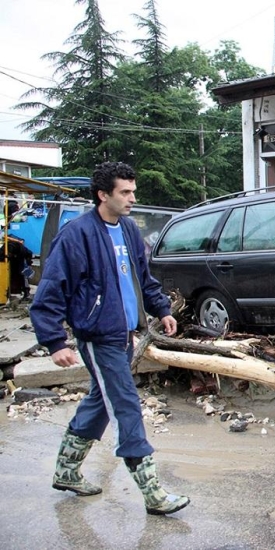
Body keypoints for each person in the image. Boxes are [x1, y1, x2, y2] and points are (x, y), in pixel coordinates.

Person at [29, 161, 190, 516]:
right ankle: (153, 492)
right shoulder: (76, 235)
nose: (133, 197)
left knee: (101, 401)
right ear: (103, 195)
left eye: (133, 190)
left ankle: (66, 471)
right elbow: (51, 290)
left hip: (123, 334)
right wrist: (55, 342)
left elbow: (143, 277)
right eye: (125, 192)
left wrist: (161, 309)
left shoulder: (129, 230)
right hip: (97, 335)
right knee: (125, 404)